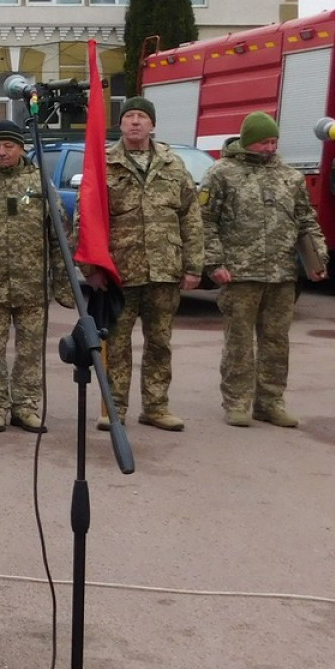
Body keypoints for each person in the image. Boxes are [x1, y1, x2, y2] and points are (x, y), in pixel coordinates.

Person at [201, 111, 328, 427]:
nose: (270, 148)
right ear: (247, 142)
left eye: (274, 141)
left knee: (276, 342)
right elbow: (204, 221)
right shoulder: (222, 174)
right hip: (240, 273)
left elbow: (305, 221)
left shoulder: (289, 176)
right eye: (263, 142)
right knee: (239, 343)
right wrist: (214, 263)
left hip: (281, 274)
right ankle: (237, 402)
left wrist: (317, 260)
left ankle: (270, 402)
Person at [87, 96, 201, 432]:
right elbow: (87, 217)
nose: (135, 122)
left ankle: (156, 406)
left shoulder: (173, 163)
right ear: (120, 124)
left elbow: (190, 217)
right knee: (117, 345)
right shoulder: (103, 162)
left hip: (164, 270)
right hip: (119, 272)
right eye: (129, 116)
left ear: (153, 125)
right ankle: (114, 409)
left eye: (142, 117)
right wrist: (91, 268)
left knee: (160, 343)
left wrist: (193, 266)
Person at [0, 120, 64, 433]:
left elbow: (59, 235)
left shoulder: (39, 182)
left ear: (21, 148)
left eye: (8, 146)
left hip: (31, 285)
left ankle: (25, 406)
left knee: (30, 351)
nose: (1, 152)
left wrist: (62, 282)